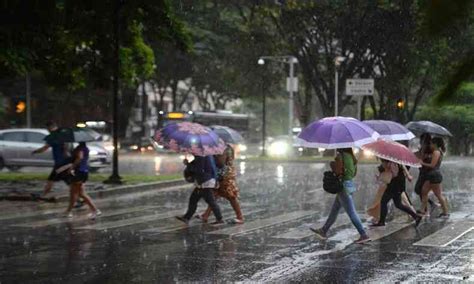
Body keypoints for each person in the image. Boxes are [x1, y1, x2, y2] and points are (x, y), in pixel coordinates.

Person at [311, 148, 370, 244]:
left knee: (351, 212)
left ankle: (363, 235)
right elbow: (353, 173)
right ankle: (324, 230)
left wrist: (333, 164)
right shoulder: (351, 157)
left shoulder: (341, 156)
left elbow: (338, 172)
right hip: (349, 184)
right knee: (334, 210)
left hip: (342, 187)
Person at [197, 145, 244, 224]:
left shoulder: (223, 148)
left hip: (225, 176)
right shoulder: (220, 147)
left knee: (231, 196)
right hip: (220, 174)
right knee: (214, 196)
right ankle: (205, 215)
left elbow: (221, 162)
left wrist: (213, 155)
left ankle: (240, 217)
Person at [370, 160, 422, 227]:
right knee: (398, 204)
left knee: (383, 201)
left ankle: (382, 221)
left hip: (395, 185)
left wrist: (386, 169)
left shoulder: (392, 163)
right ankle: (416, 216)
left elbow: (394, 174)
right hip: (398, 185)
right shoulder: (396, 160)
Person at [176, 155, 224, 225]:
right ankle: (186, 217)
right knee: (194, 199)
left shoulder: (201, 156)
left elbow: (198, 170)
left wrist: (188, 165)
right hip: (206, 180)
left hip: (205, 182)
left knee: (210, 201)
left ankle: (219, 218)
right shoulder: (207, 155)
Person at [32, 121, 70, 197]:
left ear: (50, 127)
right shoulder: (63, 135)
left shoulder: (52, 137)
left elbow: (44, 148)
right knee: (66, 180)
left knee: (52, 179)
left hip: (59, 163)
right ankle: (80, 197)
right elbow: (66, 147)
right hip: (64, 162)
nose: (47, 130)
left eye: (47, 128)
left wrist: (35, 151)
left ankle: (43, 195)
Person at [64, 142, 101, 219]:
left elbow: (80, 158)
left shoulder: (80, 148)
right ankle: (68, 211)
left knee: (76, 193)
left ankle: (95, 210)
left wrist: (72, 167)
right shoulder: (84, 148)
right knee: (78, 193)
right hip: (83, 172)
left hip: (79, 172)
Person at [419, 137, 449, 218]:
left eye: (431, 143)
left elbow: (432, 165)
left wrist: (422, 163)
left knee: (438, 195)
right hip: (432, 175)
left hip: (434, 175)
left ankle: (445, 212)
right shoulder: (436, 152)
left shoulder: (436, 152)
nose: (430, 145)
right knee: (424, 191)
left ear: (435, 144)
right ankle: (422, 210)